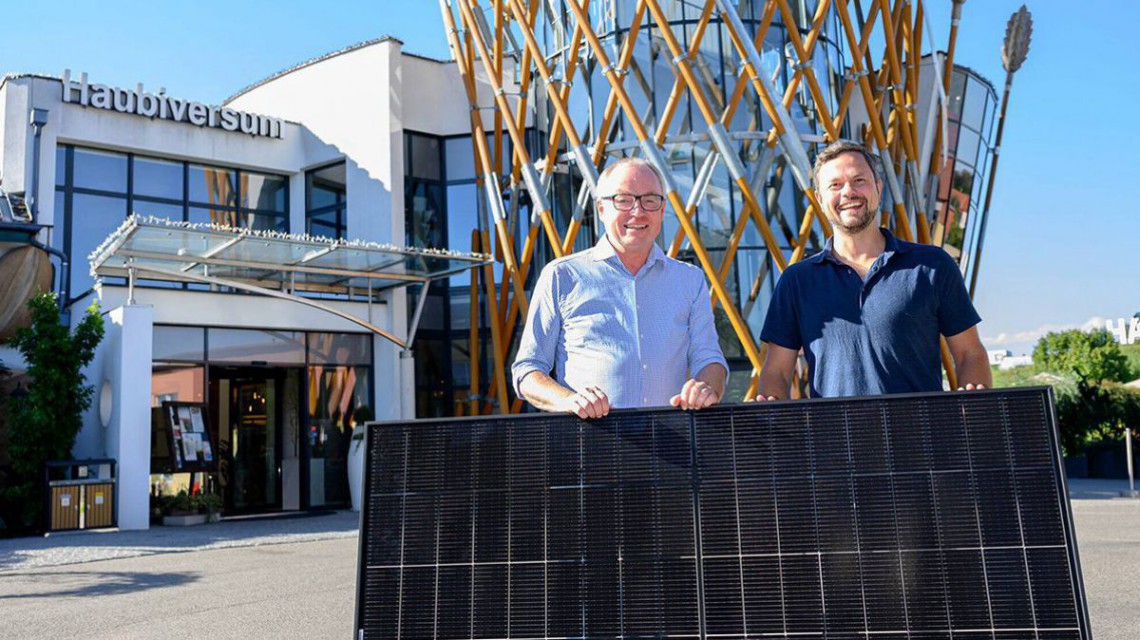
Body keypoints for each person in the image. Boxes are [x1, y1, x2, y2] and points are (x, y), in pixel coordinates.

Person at [756, 140, 992, 399]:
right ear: (820, 200)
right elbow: (776, 372)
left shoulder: (932, 266)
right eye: (835, 185)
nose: (848, 192)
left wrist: (974, 407)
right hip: (837, 438)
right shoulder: (796, 282)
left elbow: (970, 354)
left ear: (878, 189)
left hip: (922, 438)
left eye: (859, 181)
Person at [512, 158, 728, 418]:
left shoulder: (689, 280)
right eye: (624, 200)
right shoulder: (562, 276)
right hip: (592, 448)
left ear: (662, 210)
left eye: (650, 200)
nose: (638, 211)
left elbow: (710, 360)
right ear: (601, 208)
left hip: (674, 449)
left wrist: (706, 387)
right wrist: (569, 401)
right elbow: (527, 371)